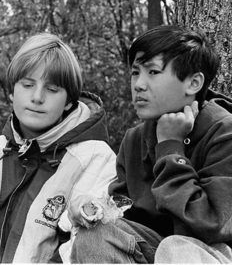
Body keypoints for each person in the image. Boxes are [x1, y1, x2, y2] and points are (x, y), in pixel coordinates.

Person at [0, 32, 117, 263]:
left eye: (52, 89)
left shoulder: (95, 158)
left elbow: (87, 248)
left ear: (69, 101)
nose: (37, 97)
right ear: (11, 91)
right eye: (27, 85)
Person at [68, 25, 232, 263]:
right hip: (156, 248)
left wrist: (170, 147)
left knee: (176, 248)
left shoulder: (224, 132)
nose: (138, 85)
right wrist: (93, 209)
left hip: (211, 254)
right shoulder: (135, 138)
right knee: (95, 235)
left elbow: (211, 225)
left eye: (153, 72)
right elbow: (124, 214)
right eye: (135, 72)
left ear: (193, 83)